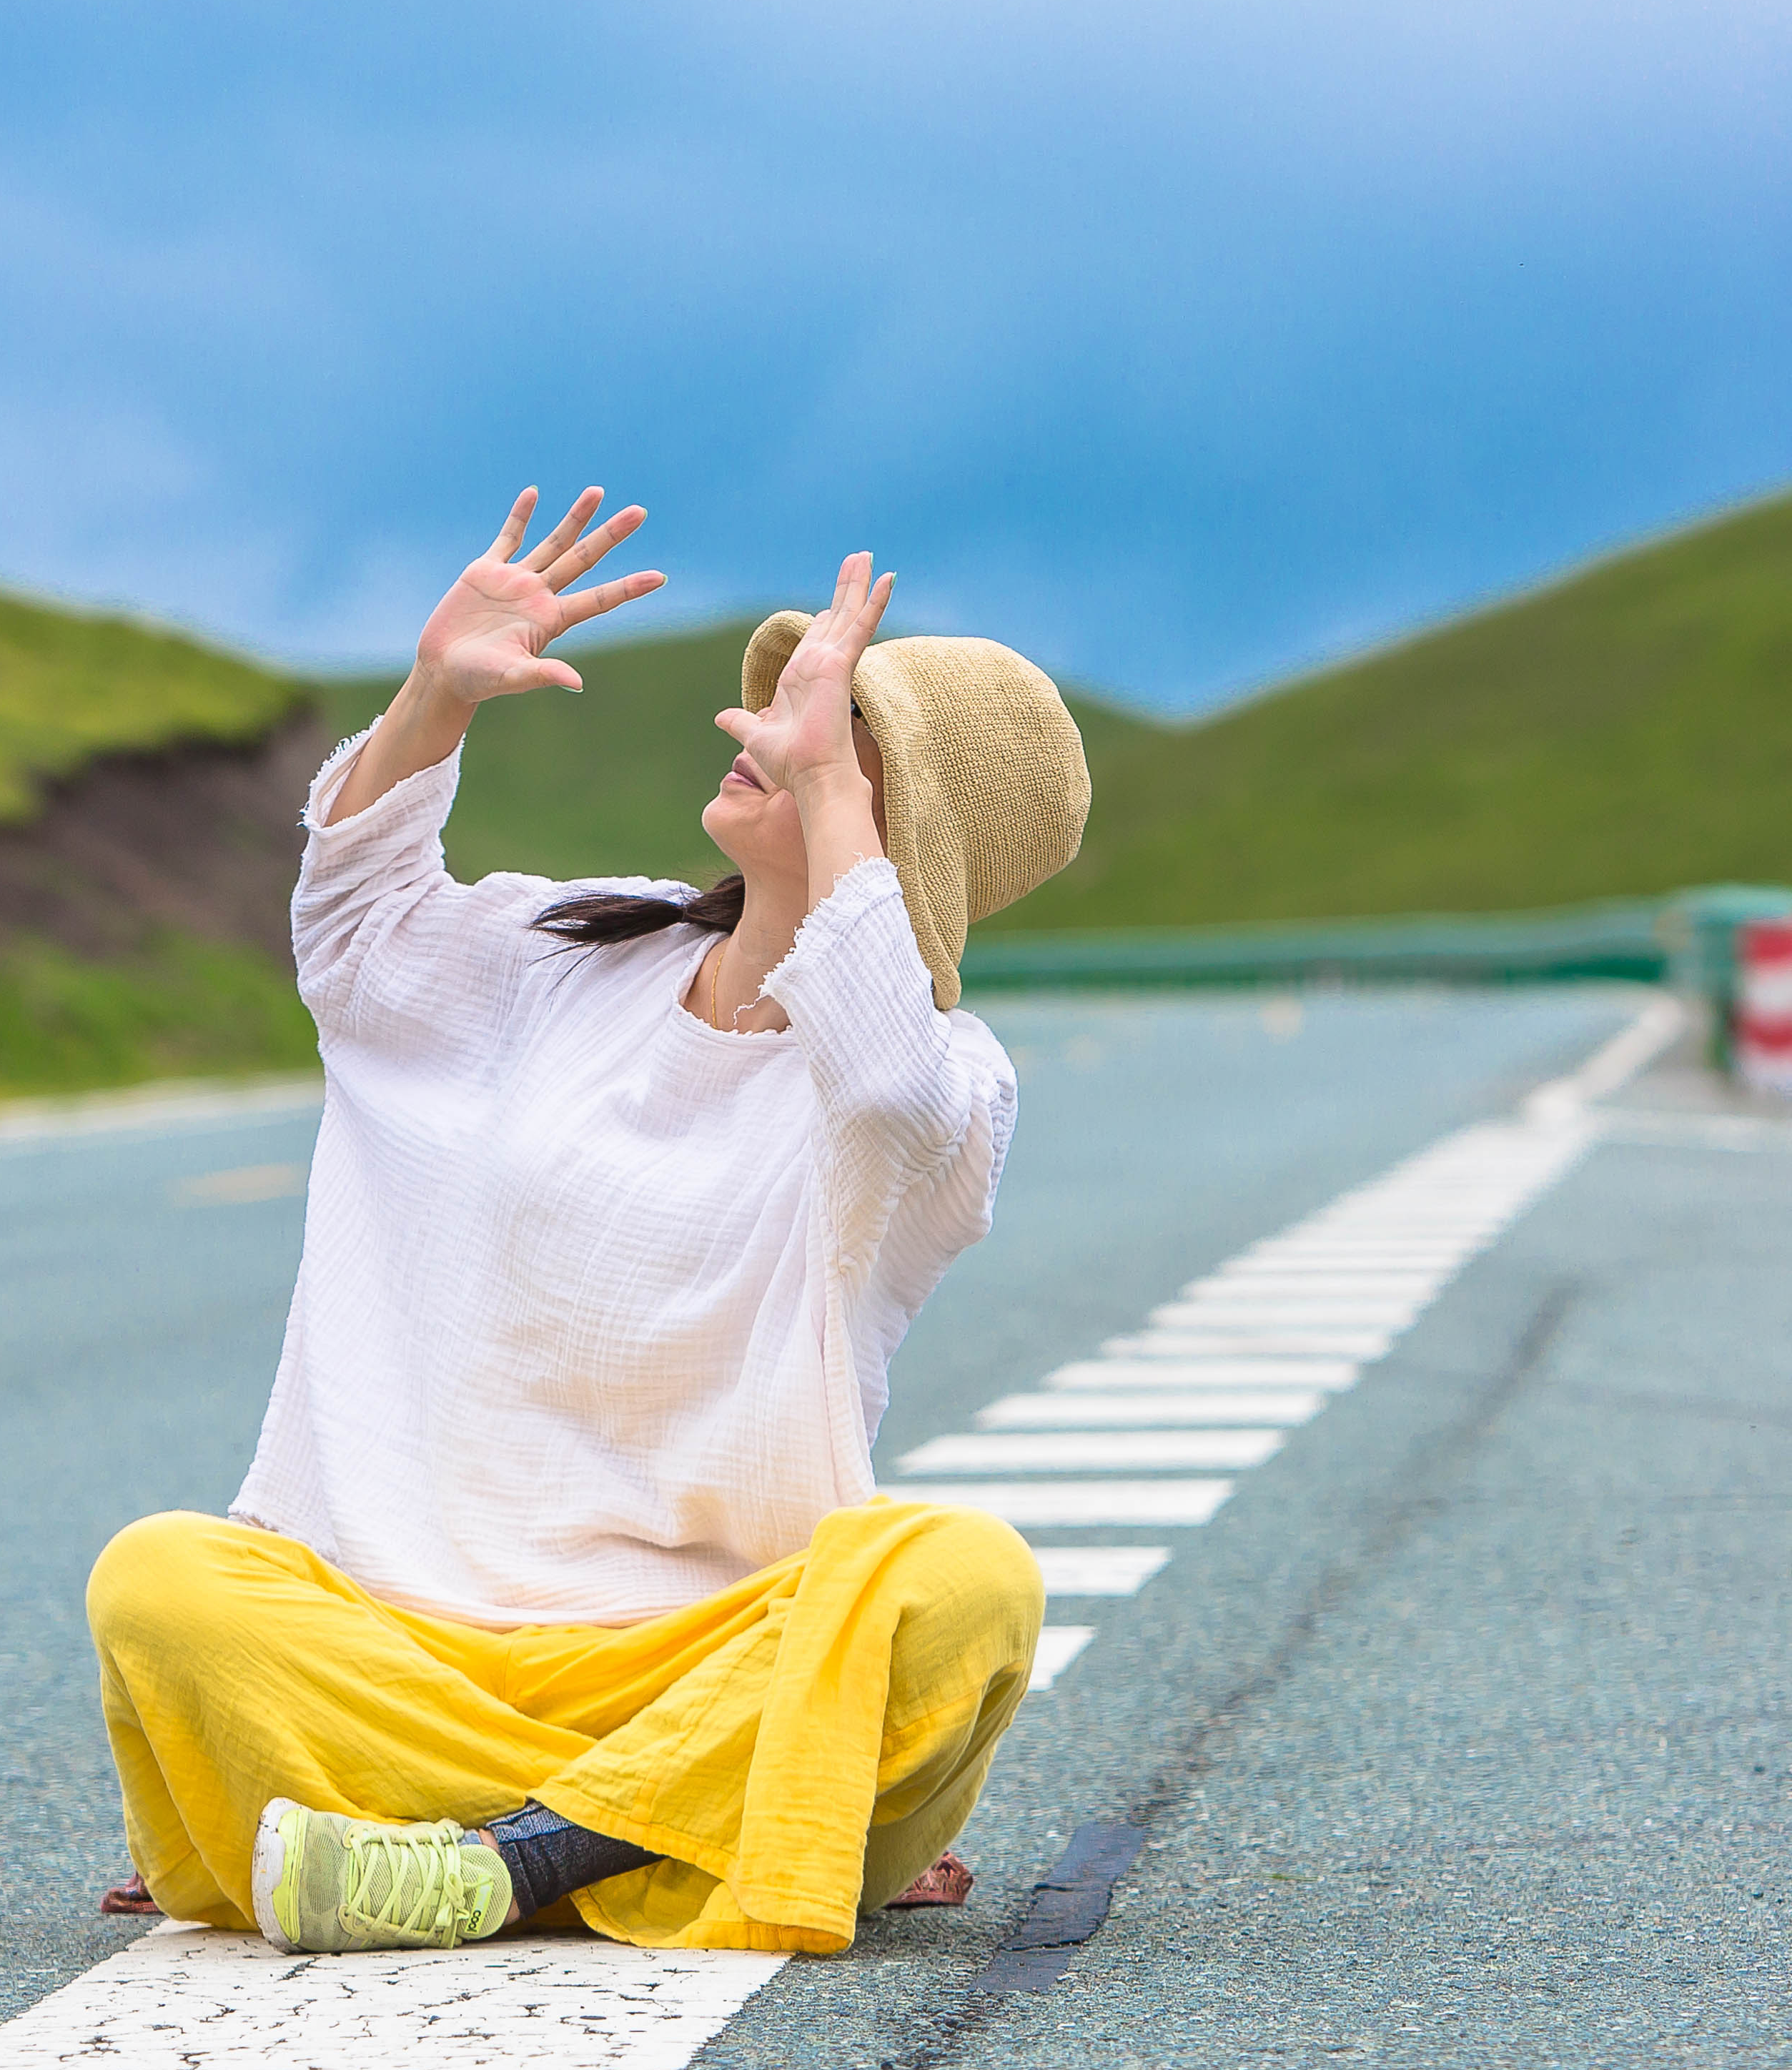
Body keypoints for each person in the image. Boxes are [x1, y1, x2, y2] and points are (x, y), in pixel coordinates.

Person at [84, 486, 1092, 1955]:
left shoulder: (944, 1085)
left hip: (699, 1659)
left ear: (894, 837)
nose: (759, 734)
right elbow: (354, 939)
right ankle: (709, 1821)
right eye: (777, 713)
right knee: (167, 1584)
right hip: (412, 1640)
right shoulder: (570, 952)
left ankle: (484, 1853)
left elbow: (876, 1086)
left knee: (958, 1584)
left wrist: (835, 811)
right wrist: (433, 701)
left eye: (828, 735)